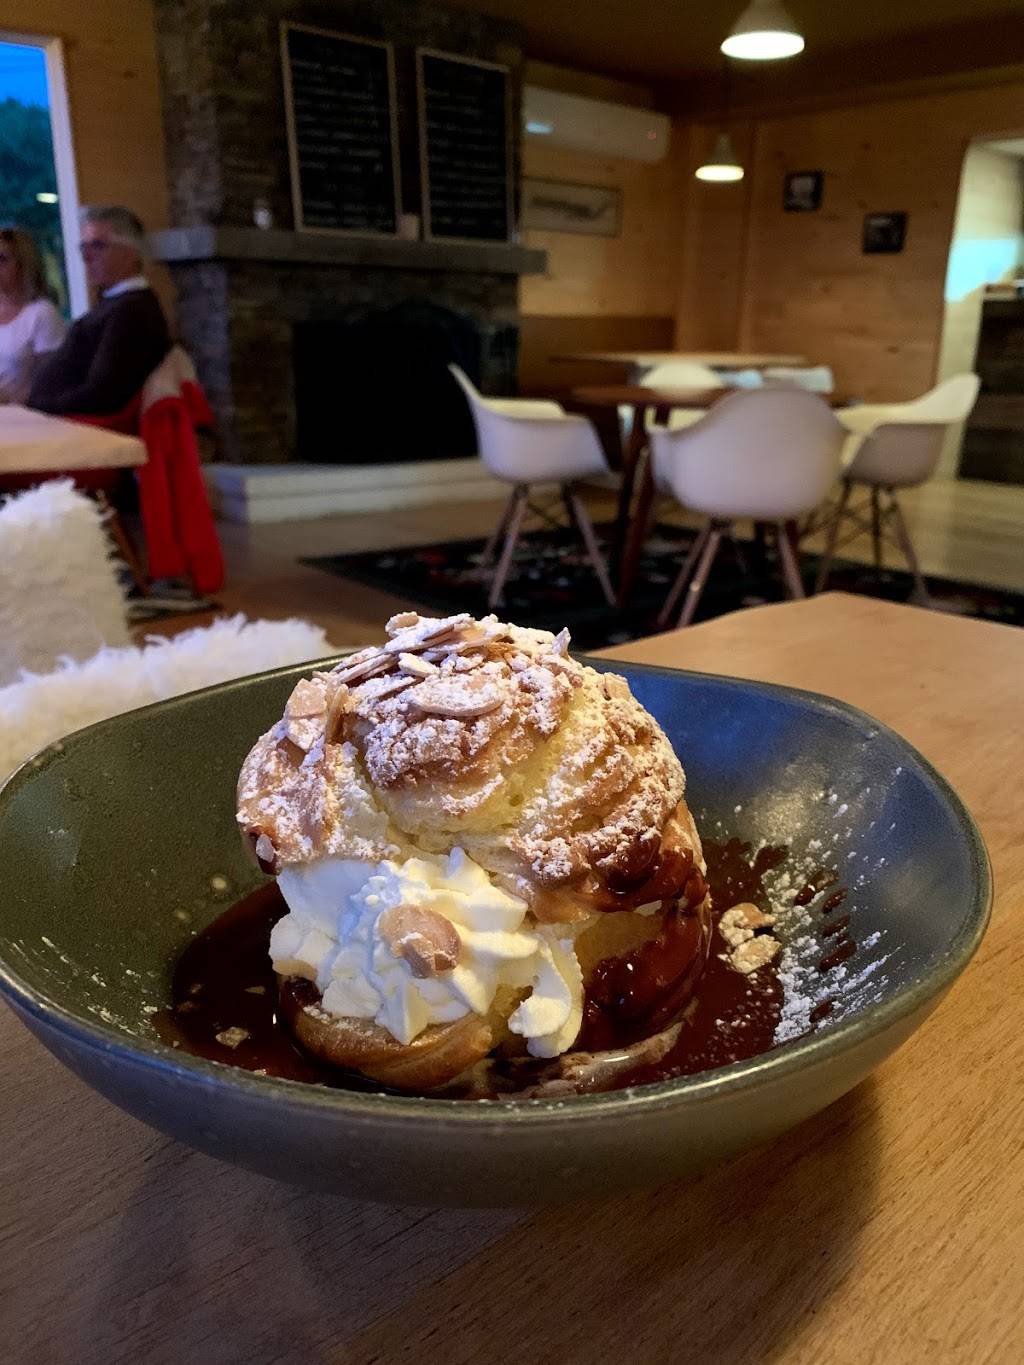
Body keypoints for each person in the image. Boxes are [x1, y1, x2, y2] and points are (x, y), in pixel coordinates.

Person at [28, 205, 170, 417]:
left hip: (83, 427)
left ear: (131, 253)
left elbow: (102, 394)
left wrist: (37, 407)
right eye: (83, 247)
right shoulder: (116, 303)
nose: (86, 257)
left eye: (97, 245)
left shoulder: (132, 311)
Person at [0, 227, 67, 404]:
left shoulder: (42, 313)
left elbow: (51, 386)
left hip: (20, 412)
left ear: (24, 265)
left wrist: (10, 400)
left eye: (2, 259)